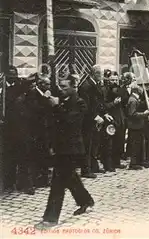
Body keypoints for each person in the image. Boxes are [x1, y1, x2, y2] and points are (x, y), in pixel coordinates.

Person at [35, 75, 94, 229]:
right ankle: (85, 201)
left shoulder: (80, 104)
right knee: (71, 178)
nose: (62, 89)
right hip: (61, 148)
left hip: (72, 149)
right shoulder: (63, 101)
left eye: (65, 87)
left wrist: (56, 106)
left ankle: (51, 218)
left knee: (58, 183)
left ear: (74, 87)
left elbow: (70, 122)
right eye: (61, 86)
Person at [78, 65, 110, 178]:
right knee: (87, 144)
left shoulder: (94, 85)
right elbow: (86, 106)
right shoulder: (86, 86)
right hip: (87, 120)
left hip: (95, 119)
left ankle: (93, 166)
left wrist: (104, 113)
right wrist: (95, 116)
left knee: (94, 142)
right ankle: (85, 170)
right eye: (99, 74)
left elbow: (98, 102)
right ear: (94, 74)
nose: (101, 76)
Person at [126, 84, 149, 170]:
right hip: (134, 126)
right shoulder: (133, 100)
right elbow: (132, 114)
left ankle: (138, 162)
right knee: (135, 145)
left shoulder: (134, 99)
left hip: (137, 126)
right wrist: (144, 114)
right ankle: (134, 163)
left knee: (138, 144)